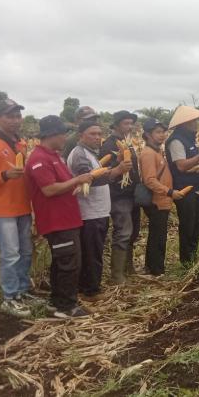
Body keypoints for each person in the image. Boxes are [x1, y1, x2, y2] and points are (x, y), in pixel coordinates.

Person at [26, 115, 94, 318]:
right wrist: (78, 180)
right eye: (63, 133)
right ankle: (66, 307)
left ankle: (56, 302)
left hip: (67, 219)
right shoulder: (39, 159)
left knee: (62, 262)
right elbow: (49, 189)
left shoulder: (54, 156)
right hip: (57, 222)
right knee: (69, 263)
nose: (66, 137)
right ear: (51, 134)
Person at [68, 121, 132, 301]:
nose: (97, 137)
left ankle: (86, 286)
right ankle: (91, 291)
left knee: (93, 251)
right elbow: (87, 179)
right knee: (92, 253)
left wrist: (115, 166)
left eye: (99, 134)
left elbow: (97, 174)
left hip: (97, 212)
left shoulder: (90, 153)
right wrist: (117, 171)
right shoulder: (80, 154)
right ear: (81, 136)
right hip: (89, 213)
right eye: (92, 134)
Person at [0, 100, 40, 317]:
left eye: (18, 116)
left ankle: (22, 290)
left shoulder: (21, 143)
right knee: (10, 255)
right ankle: (9, 297)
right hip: (2, 210)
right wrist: (4, 175)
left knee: (26, 252)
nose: (15, 120)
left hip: (23, 207)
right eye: (10, 116)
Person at [166, 105, 199, 265]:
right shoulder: (176, 141)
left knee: (196, 221)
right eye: (193, 121)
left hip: (194, 187)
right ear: (184, 123)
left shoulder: (189, 139)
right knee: (187, 224)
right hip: (183, 189)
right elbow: (181, 166)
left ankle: (193, 255)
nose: (196, 123)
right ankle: (186, 260)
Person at [99, 110, 141, 284]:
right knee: (122, 233)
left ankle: (128, 268)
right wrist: (117, 164)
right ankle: (116, 275)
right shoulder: (109, 145)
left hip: (132, 193)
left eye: (131, 123)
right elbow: (105, 172)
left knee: (132, 233)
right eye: (126, 123)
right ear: (116, 125)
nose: (130, 126)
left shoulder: (128, 143)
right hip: (118, 196)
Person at [139, 119, 182, 277]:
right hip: (157, 201)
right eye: (157, 132)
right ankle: (157, 270)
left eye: (163, 132)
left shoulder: (156, 151)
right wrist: (169, 192)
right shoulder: (148, 154)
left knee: (157, 234)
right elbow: (150, 180)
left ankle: (151, 266)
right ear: (147, 134)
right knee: (158, 237)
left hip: (162, 200)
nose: (162, 135)